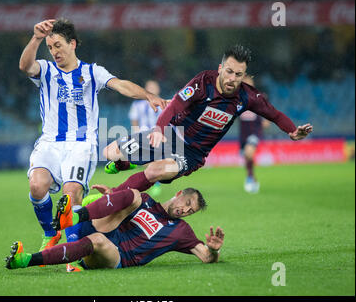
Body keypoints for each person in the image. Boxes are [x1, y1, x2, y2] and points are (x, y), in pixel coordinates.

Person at [18, 18, 167, 254]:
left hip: (81, 145)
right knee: (37, 186)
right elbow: (25, 66)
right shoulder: (46, 69)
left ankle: (72, 254)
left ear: (73, 43)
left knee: (71, 196)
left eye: (58, 45)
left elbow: (120, 84)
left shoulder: (91, 71)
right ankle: (50, 233)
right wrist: (36, 38)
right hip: (50, 142)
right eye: (50, 47)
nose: (54, 51)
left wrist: (147, 95)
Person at [102, 44, 313, 193]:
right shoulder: (204, 82)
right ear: (221, 68)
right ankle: (125, 163)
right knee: (110, 152)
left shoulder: (248, 96)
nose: (232, 78)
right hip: (171, 134)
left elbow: (274, 114)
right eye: (229, 71)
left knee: (155, 170)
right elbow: (176, 104)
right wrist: (158, 129)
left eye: (238, 75)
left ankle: (115, 195)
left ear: (244, 75)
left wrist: (292, 131)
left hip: (193, 153)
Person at [5, 185, 224, 270]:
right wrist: (113, 196)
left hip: (119, 257)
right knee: (134, 195)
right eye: (187, 204)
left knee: (98, 240)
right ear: (178, 195)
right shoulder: (146, 201)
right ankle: (72, 219)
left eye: (191, 211)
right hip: (105, 231)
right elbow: (121, 208)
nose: (186, 211)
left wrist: (213, 250)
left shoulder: (181, 231)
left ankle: (26, 260)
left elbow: (206, 257)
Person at [238, 75, 270, 193]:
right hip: (243, 134)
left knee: (249, 152)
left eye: (248, 82)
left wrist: (266, 120)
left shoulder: (260, 98)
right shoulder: (236, 98)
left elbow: (267, 114)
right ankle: (251, 175)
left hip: (254, 132)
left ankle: (250, 178)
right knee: (247, 157)